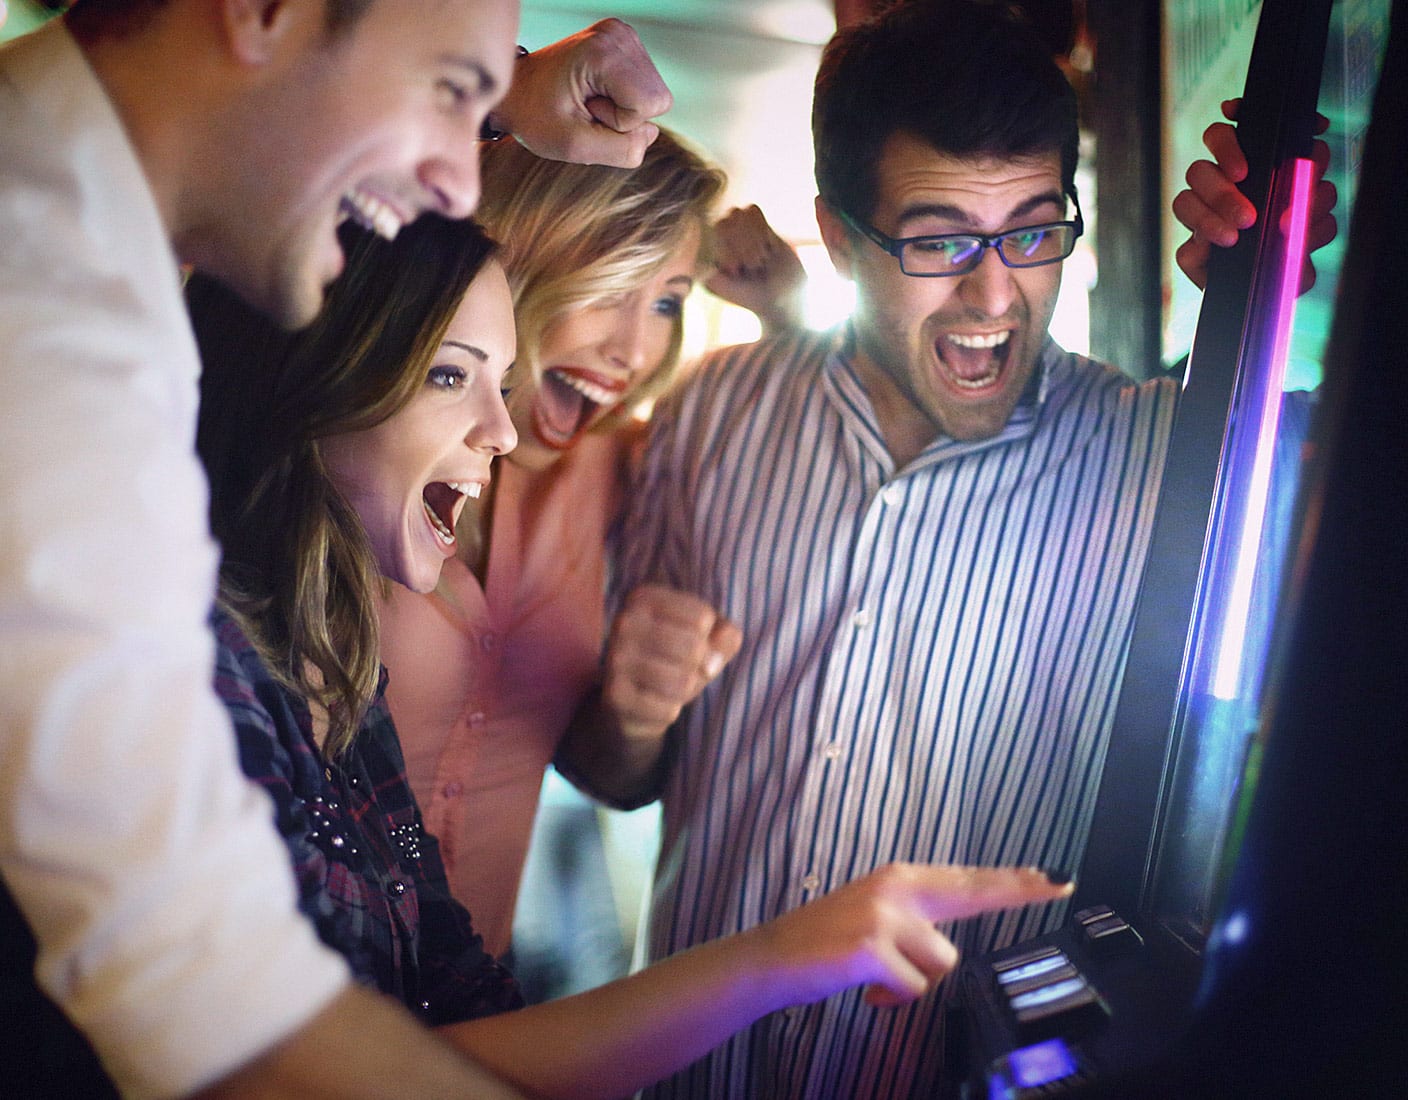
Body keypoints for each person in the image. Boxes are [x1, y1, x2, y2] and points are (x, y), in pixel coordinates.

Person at [603, 2, 1337, 1096]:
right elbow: (615, 773)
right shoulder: (707, 410)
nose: (994, 296)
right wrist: (625, 711)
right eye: (940, 240)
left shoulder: (1160, 457)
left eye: (1033, 231)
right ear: (841, 234)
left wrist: (1265, 271)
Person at [186, 210, 1074, 1100]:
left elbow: (457, 1011)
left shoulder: (345, 673)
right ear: (312, 377)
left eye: (670, 300)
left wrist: (792, 947)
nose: (499, 431)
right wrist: (778, 956)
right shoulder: (194, 672)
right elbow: (322, 1074)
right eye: (450, 375)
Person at [0, 1, 676, 1095]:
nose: (463, 178)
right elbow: (209, 1000)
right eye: (453, 91)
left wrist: (477, 81)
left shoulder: (69, 221)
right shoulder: (51, 328)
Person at [376, 130, 810, 969]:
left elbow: (603, 771)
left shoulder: (624, 469)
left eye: (668, 301)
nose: (634, 350)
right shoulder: (357, 447)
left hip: (475, 1016)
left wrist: (636, 716)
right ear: (514, 259)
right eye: (611, 285)